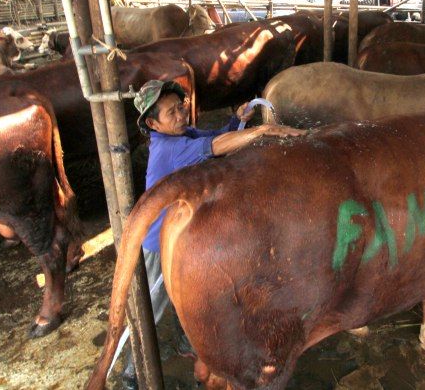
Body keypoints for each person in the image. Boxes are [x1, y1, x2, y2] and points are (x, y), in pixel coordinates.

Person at [118, 80, 305, 388]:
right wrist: (260, 131)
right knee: (152, 305)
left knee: (180, 295)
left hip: (175, 232)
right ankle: (131, 371)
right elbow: (217, 147)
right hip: (155, 241)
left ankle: (183, 340)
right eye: (171, 113)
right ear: (153, 124)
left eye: (180, 107)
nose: (180, 115)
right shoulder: (170, 149)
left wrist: (240, 120)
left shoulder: (184, 134)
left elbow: (214, 136)